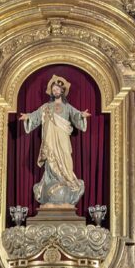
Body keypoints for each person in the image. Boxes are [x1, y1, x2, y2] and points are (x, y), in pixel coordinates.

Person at [19, 75, 90, 207]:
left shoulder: (67, 107)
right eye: (54, 89)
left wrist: (81, 115)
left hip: (63, 139)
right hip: (50, 140)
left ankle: (67, 180)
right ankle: (53, 180)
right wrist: (28, 117)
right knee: (51, 160)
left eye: (58, 89)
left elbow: (75, 115)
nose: (56, 91)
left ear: (62, 91)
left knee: (65, 157)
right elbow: (36, 115)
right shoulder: (46, 106)